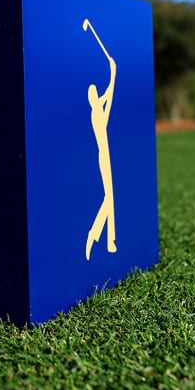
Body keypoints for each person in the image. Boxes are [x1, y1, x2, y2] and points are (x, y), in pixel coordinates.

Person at [83, 19, 117, 261]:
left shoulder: (98, 106)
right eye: (96, 93)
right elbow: (110, 93)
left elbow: (109, 90)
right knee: (109, 196)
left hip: (105, 155)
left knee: (111, 195)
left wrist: (113, 70)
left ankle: (110, 240)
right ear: (92, 98)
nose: (98, 93)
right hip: (103, 157)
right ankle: (96, 234)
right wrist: (113, 72)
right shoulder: (97, 112)